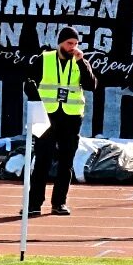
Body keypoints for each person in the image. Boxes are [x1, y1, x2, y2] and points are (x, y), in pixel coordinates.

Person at [27, 26, 96, 216]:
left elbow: (92, 85)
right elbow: (29, 82)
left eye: (75, 44)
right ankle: (34, 204)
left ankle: (59, 203)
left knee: (66, 161)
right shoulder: (45, 59)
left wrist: (82, 62)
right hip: (47, 115)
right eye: (69, 43)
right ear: (60, 43)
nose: (72, 47)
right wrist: (35, 101)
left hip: (71, 117)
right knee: (42, 160)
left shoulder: (80, 61)